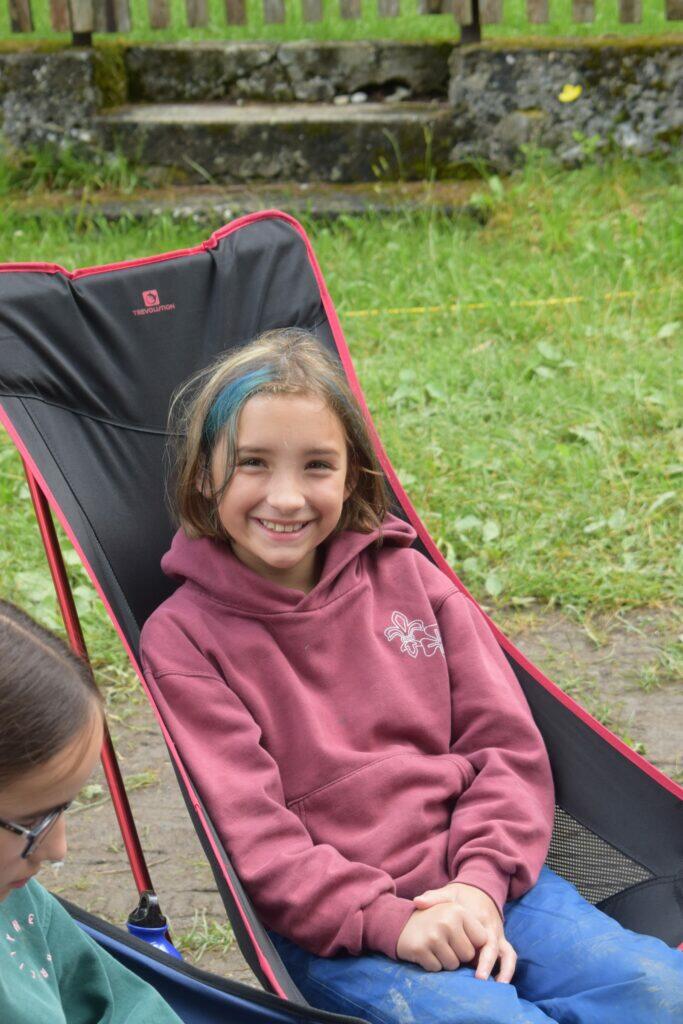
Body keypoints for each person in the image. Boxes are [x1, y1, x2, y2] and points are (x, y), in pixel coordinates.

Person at [140, 328, 683, 1024]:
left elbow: (505, 750)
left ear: (351, 478)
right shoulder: (185, 640)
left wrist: (479, 885)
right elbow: (257, 839)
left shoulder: (412, 582)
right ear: (202, 476)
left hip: (489, 884)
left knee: (656, 991)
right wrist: (392, 921)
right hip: (344, 929)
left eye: (316, 466)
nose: (287, 496)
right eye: (252, 463)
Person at [0, 599, 183, 1024]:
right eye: (31, 821)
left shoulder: (17, 898)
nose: (58, 849)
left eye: (62, 809)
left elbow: (125, 1006)